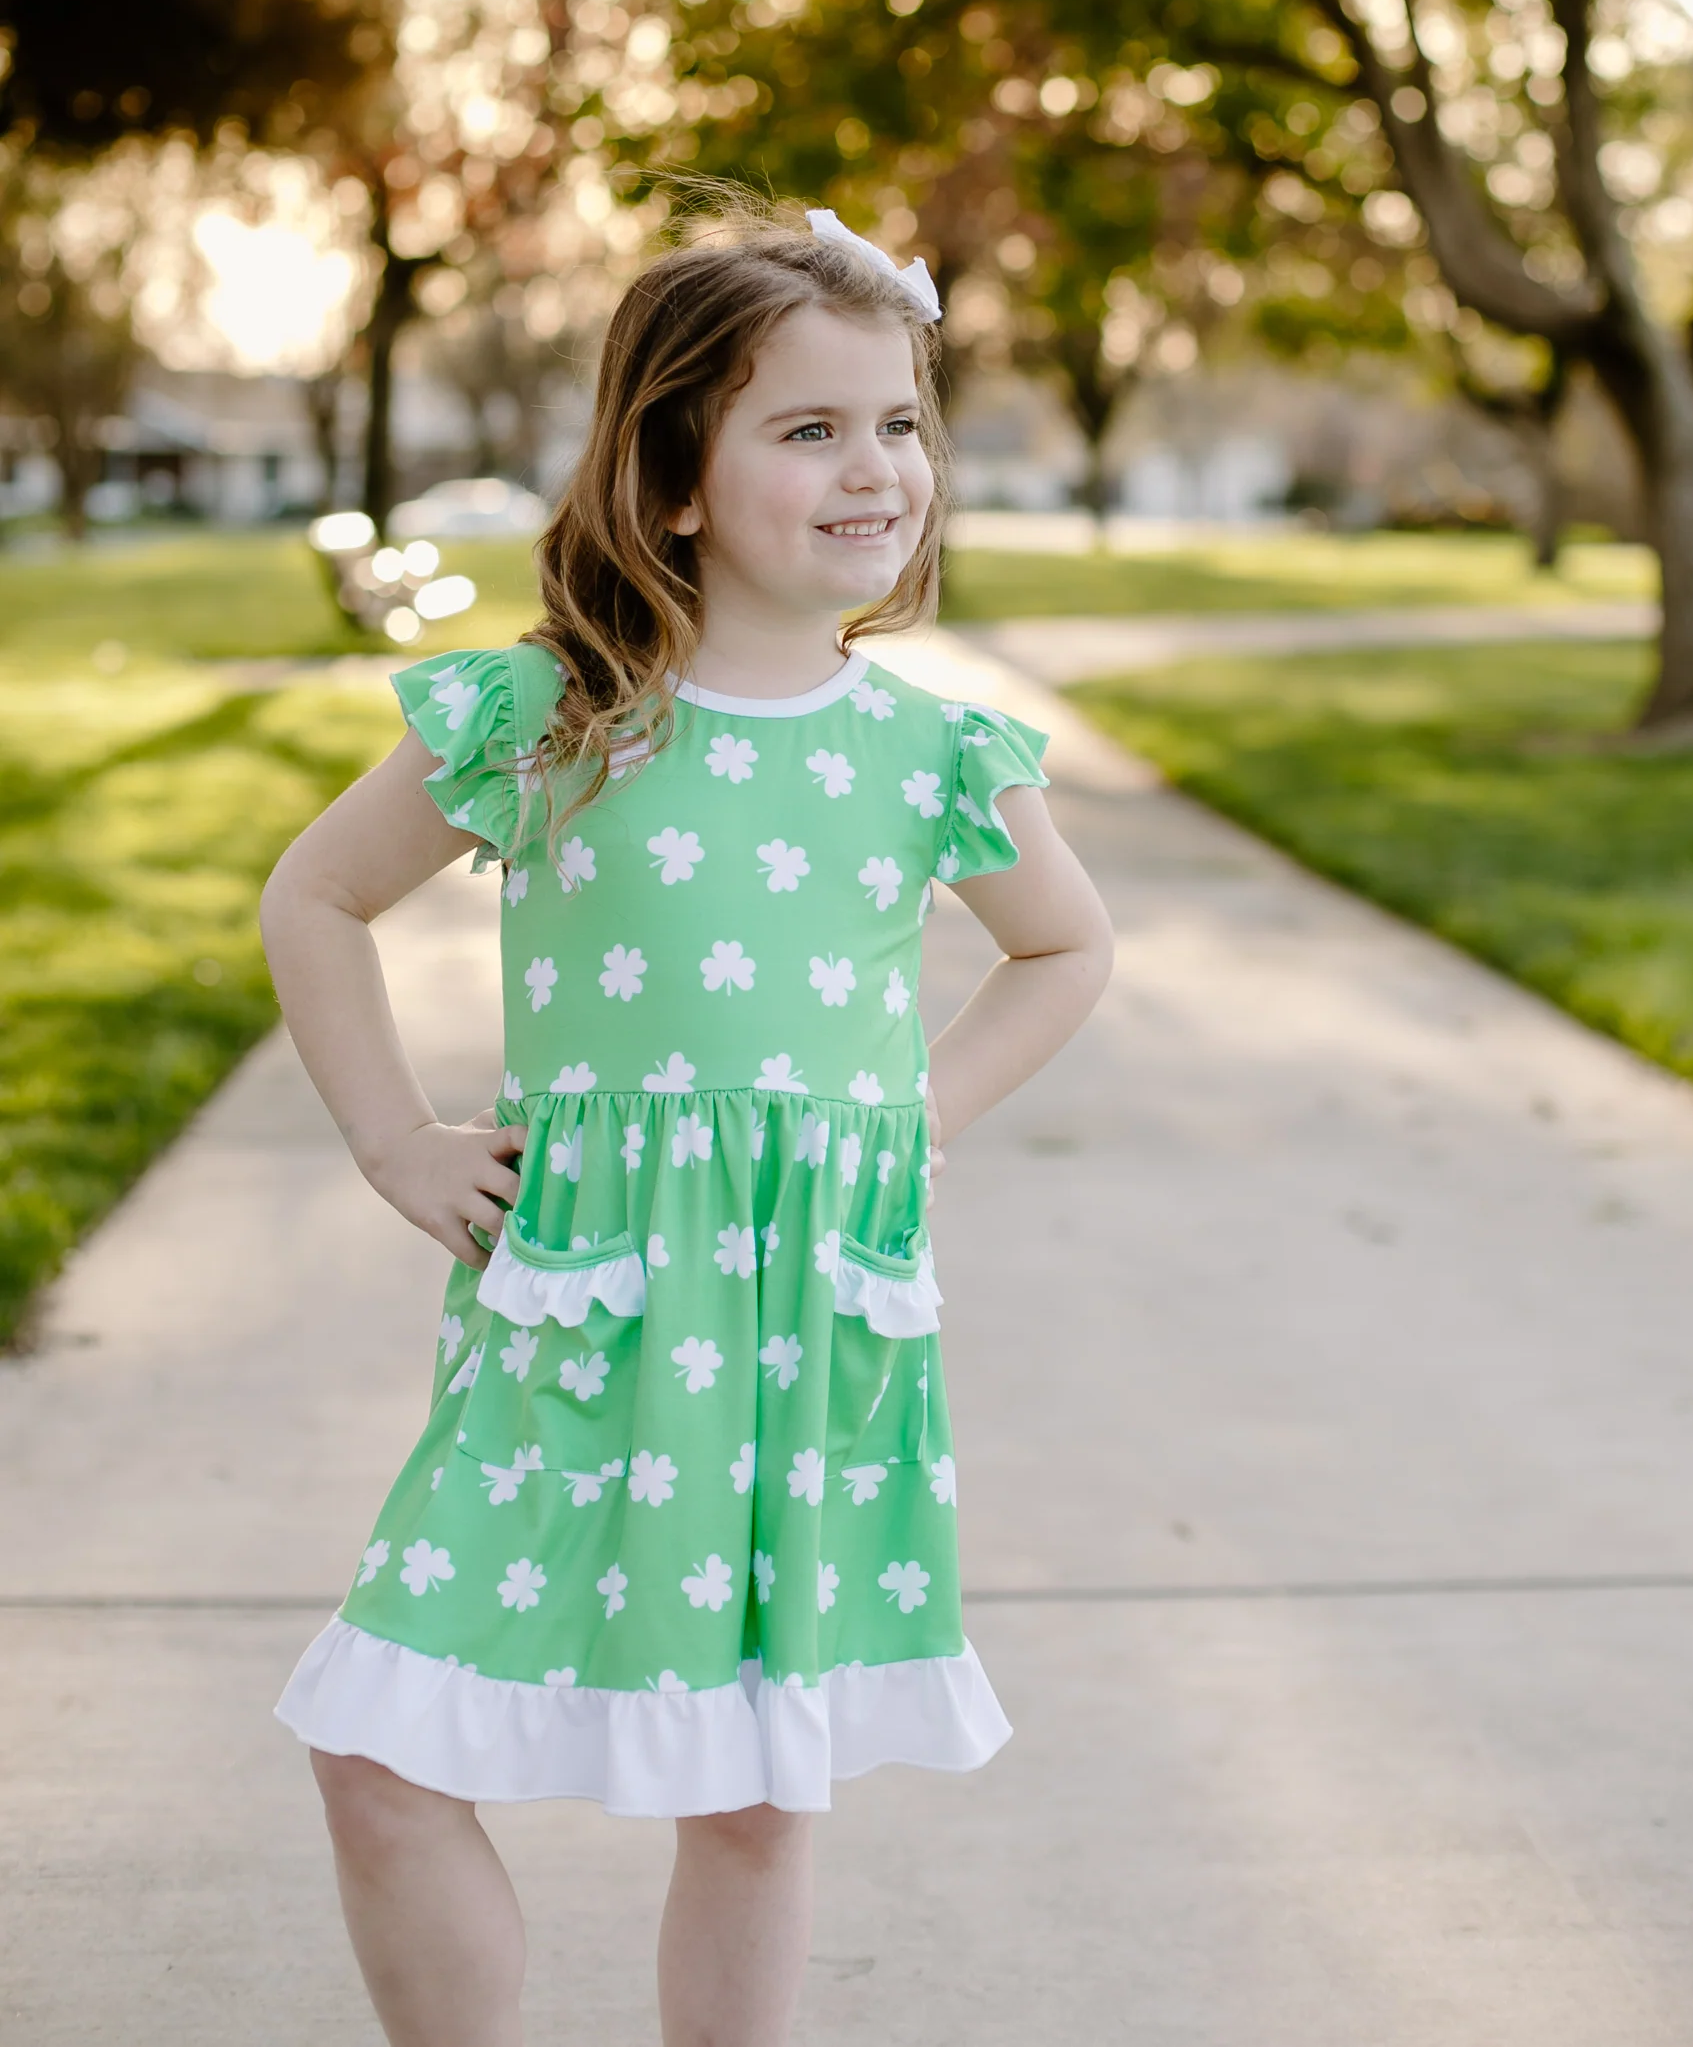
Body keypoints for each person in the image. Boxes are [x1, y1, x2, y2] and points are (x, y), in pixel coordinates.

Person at [261, 202, 1114, 2047]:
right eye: (807, 429)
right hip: (570, 1322)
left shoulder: (927, 752)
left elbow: (1062, 947)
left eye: (896, 421)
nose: (873, 466)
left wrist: (916, 1114)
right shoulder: (546, 717)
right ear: (670, 479)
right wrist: (399, 1141)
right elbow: (313, 899)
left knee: (748, 1795)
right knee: (375, 1749)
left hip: (802, 1336)